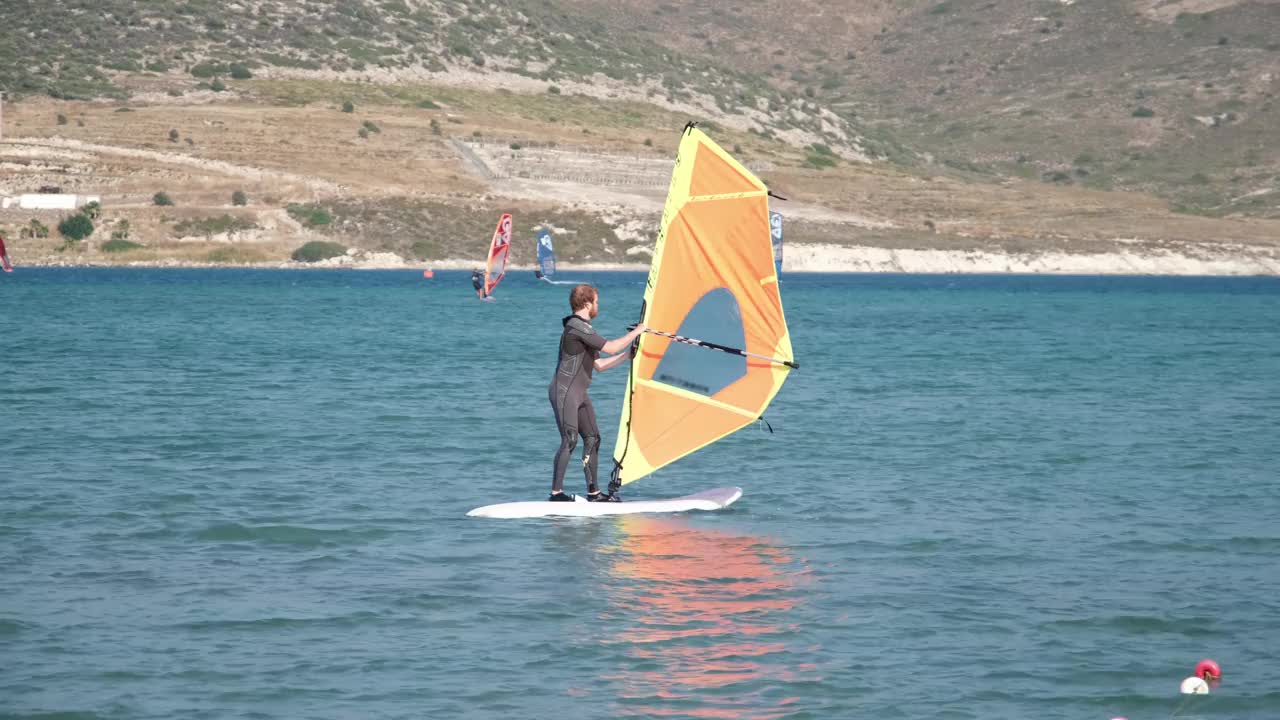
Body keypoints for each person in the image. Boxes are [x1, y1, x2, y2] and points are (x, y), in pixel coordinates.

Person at [548, 284, 645, 502]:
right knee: (570, 440)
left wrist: (627, 356)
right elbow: (610, 346)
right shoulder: (576, 326)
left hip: (579, 393)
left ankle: (593, 492)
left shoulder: (584, 330)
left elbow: (599, 364)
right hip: (564, 392)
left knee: (592, 438)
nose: (597, 306)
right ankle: (556, 494)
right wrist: (639, 331)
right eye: (597, 302)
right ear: (587, 303)